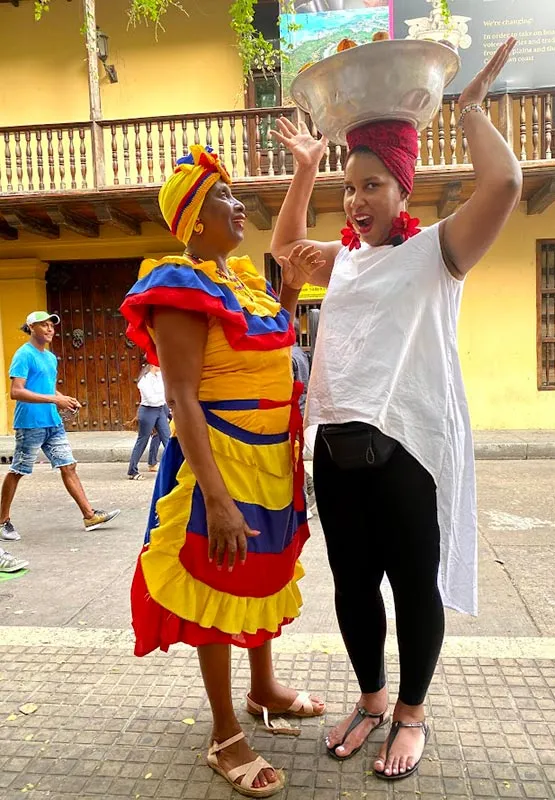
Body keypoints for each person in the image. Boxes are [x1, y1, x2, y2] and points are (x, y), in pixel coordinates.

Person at [270, 40, 522, 780]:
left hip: (406, 454)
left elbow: (505, 182)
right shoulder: (345, 257)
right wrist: (307, 169)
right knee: (353, 590)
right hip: (336, 453)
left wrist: (469, 110)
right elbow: (286, 250)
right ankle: (373, 699)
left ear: (402, 188)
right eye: (349, 188)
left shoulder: (438, 253)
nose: (356, 201)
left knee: (413, 591)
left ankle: (411, 713)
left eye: (372, 185)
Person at [120, 145, 324, 798]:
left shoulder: (243, 284)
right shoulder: (180, 287)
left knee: (263, 572)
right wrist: (216, 499)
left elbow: (274, 337)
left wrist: (290, 288)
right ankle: (225, 731)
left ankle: (263, 688)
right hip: (220, 463)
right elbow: (181, 397)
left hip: (270, 460)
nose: (239, 207)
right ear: (195, 218)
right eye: (224, 198)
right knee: (218, 577)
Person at [0, 311, 121, 541]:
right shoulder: (24, 354)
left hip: (53, 422)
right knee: (18, 471)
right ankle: (2, 521)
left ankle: (89, 516)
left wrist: (64, 399)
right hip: (30, 424)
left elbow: (46, 388)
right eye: (43, 325)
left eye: (52, 326)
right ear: (31, 327)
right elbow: (17, 391)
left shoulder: (50, 358)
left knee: (69, 466)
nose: (50, 329)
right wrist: (55, 400)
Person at [127, 364, 170, 480]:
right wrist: (164, 397)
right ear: (152, 365)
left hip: (160, 409)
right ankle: (132, 471)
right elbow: (152, 400)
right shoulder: (144, 381)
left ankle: (174, 468)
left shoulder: (160, 376)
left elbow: (167, 390)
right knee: (143, 440)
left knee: (168, 438)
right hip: (148, 411)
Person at [292, 320, 315, 516]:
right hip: (302, 408)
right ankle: (309, 490)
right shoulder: (301, 353)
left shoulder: (289, 355)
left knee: (293, 459)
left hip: (293, 411)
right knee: (296, 457)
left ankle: (304, 503)